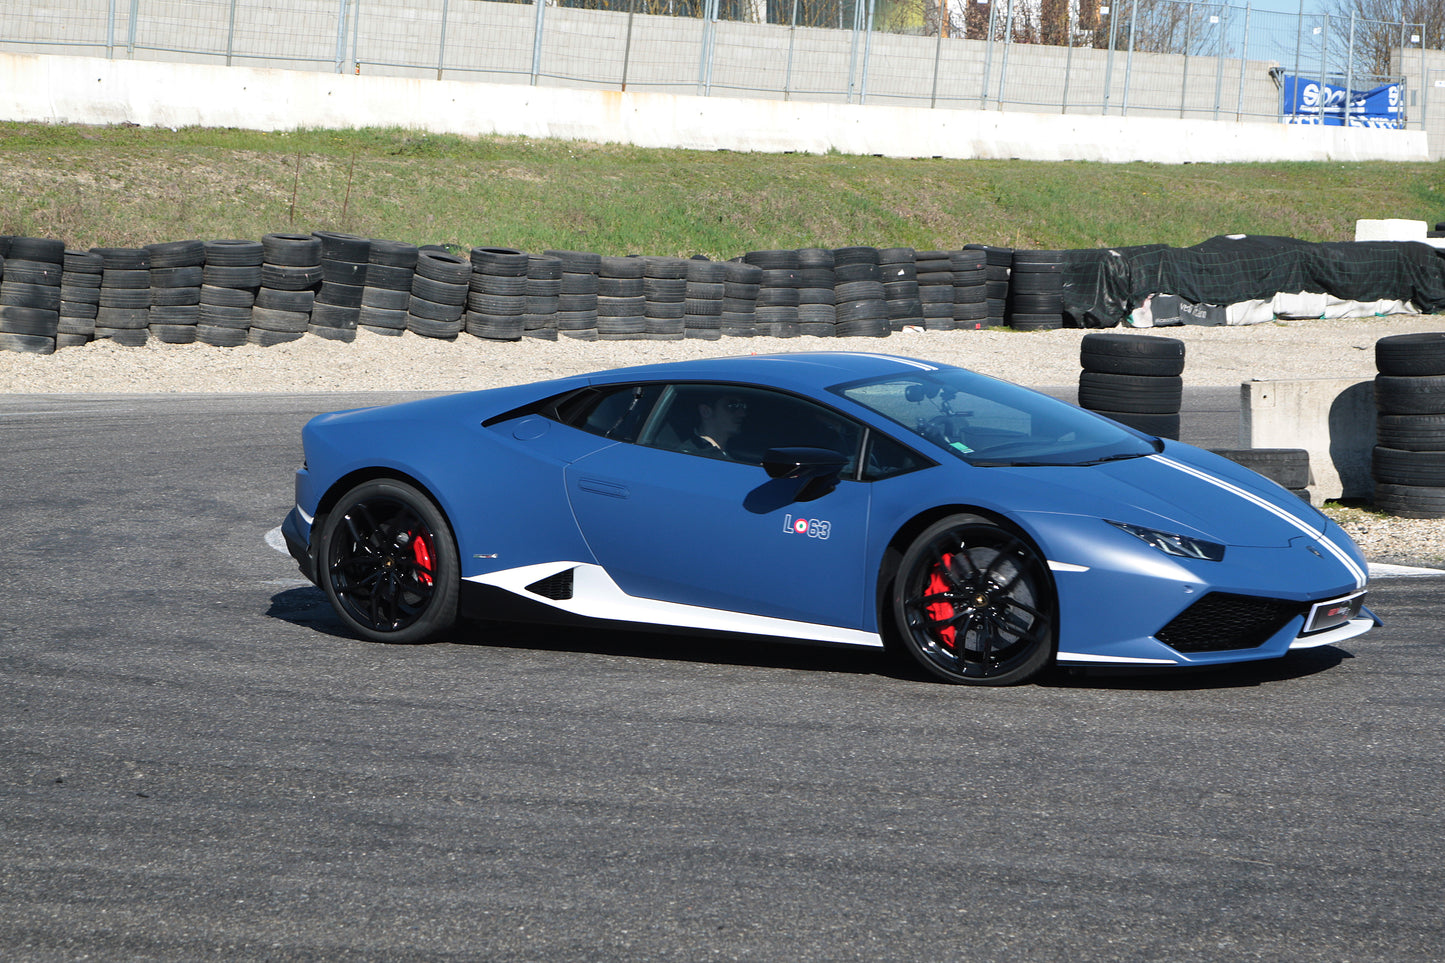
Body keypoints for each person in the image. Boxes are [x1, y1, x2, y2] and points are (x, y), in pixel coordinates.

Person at [679, 393, 747, 460]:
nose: (742, 414)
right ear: (705, 411)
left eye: (743, 406)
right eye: (732, 405)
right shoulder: (688, 453)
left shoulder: (736, 454)